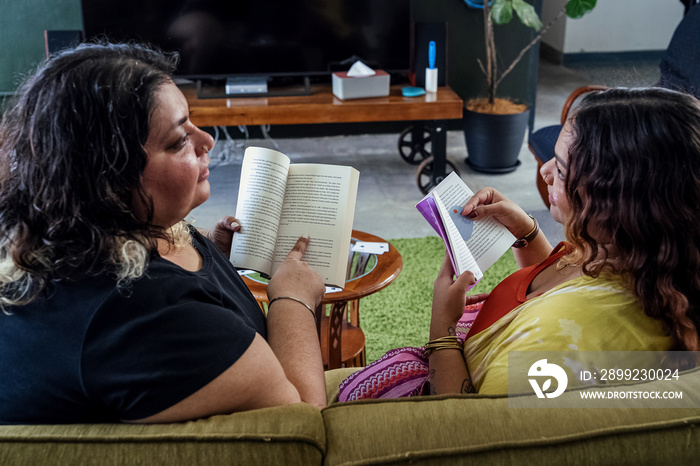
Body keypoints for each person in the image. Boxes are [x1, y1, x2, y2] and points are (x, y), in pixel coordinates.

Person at [0, 41, 327, 424]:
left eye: (191, 122)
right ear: (109, 183)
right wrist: (293, 299)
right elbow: (305, 420)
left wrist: (207, 250)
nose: (207, 141)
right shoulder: (149, 316)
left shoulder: (64, 236)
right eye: (178, 141)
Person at [339, 87, 700, 400]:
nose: (543, 174)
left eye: (559, 170)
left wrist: (443, 329)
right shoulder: (633, 255)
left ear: (617, 199)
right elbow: (553, 289)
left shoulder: (564, 336)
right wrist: (524, 231)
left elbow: (468, 428)